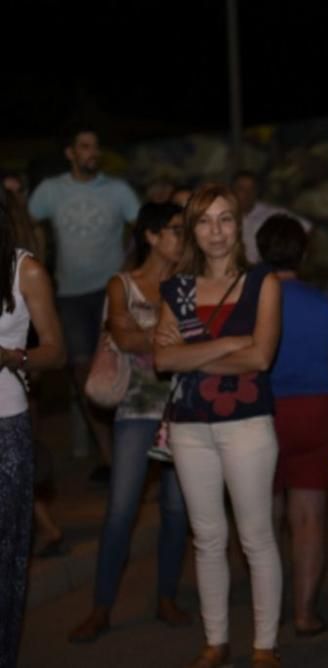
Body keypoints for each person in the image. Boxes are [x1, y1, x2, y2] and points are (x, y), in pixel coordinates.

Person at [154, 184, 283, 668]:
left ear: (238, 225)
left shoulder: (262, 283)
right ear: (192, 228)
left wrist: (194, 356)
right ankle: (215, 641)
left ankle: (264, 645)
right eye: (205, 220)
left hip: (248, 424)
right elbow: (163, 359)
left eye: (225, 219)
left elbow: (262, 355)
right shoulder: (177, 288)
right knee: (207, 537)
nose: (215, 230)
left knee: (256, 536)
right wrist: (232, 345)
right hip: (190, 425)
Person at [68, 203, 191, 642]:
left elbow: (192, 338)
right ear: (152, 236)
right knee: (120, 511)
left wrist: (152, 335)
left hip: (181, 409)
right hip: (136, 410)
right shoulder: (121, 284)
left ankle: (166, 598)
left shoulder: (186, 285)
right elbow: (122, 337)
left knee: (177, 511)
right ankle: (101, 607)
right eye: (177, 230)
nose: (184, 238)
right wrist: (168, 334)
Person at [256, 214, 328, 636]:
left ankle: (270, 607)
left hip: (264, 412)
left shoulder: (254, 301)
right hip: (315, 412)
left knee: (267, 516)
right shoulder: (323, 305)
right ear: (304, 252)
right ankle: (304, 612)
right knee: (309, 519)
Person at [28, 128, 141, 481]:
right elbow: (26, 222)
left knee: (119, 370)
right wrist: (40, 263)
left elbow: (142, 228)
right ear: (70, 153)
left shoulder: (118, 191)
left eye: (96, 146)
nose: (93, 152)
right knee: (82, 375)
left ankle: (128, 452)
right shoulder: (51, 191)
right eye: (85, 147)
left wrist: (127, 269)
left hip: (111, 294)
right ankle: (110, 458)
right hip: (70, 295)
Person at [0, 186, 66, 667]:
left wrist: (10, 356)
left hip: (5, 426)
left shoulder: (26, 270)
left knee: (6, 563)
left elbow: (56, 351)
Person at [231, 171, 311, 264]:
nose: (247, 194)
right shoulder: (222, 215)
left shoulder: (270, 213)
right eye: (242, 189)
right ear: (232, 191)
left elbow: (307, 227)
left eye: (251, 189)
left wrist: (297, 260)